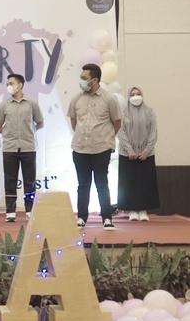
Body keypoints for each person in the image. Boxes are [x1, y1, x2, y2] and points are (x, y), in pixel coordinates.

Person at [68, 63, 121, 230]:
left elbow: (117, 122)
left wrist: (105, 138)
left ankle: (107, 217)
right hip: (80, 148)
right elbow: (73, 121)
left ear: (95, 80)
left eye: (84, 78)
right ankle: (81, 217)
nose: (81, 81)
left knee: (101, 183)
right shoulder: (76, 98)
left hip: (101, 148)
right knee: (83, 184)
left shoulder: (109, 99)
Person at [0, 74, 44, 222]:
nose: (9, 86)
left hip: (28, 147)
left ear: (20, 85)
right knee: (10, 180)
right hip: (9, 148)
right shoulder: (4, 105)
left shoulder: (31, 103)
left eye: (11, 83)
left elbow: (40, 122)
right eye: (7, 84)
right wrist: (9, 133)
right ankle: (10, 211)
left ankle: (30, 210)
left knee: (29, 181)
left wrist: (30, 132)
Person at [117, 87, 159, 221]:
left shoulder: (150, 112)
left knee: (145, 182)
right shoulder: (123, 113)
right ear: (128, 97)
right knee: (129, 182)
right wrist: (129, 150)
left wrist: (146, 151)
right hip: (127, 154)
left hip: (146, 154)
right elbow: (120, 132)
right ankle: (132, 210)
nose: (136, 96)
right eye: (133, 94)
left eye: (138, 94)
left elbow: (153, 133)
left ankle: (143, 210)